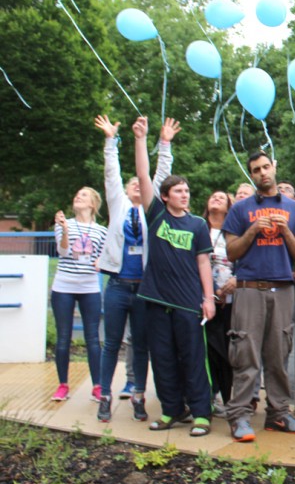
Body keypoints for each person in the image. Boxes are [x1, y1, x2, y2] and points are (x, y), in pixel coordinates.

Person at [130, 117, 216, 436]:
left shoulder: (197, 225)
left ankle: (201, 413)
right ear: (165, 196)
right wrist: (142, 139)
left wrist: (208, 299)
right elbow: (142, 176)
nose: (185, 194)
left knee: (193, 358)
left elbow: (204, 263)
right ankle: (170, 411)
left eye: (187, 190)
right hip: (155, 300)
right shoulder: (156, 215)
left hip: (188, 303)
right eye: (178, 190)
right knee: (163, 359)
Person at [223, 150, 295, 442]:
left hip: (283, 289)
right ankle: (239, 417)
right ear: (252, 174)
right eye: (256, 169)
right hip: (249, 288)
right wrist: (251, 231)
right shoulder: (240, 209)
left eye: (266, 167)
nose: (262, 172)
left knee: (278, 355)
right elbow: (231, 252)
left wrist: (285, 231)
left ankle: (279, 414)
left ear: (274, 166)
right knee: (245, 354)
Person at [93, 114, 177, 423]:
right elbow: (111, 175)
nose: (137, 188)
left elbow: (161, 175)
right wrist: (111, 141)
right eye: (132, 185)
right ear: (127, 191)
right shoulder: (118, 206)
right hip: (116, 285)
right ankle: (104, 396)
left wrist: (164, 144)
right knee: (111, 343)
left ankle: (139, 396)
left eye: (140, 185)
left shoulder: (152, 212)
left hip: (143, 288)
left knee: (140, 344)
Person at [50, 186, 107, 402]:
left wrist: (101, 262)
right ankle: (63, 385)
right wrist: (64, 229)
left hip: (89, 287)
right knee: (63, 338)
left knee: (93, 338)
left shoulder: (101, 230)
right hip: (64, 286)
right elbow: (63, 251)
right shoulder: (64, 224)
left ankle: (98, 386)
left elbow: (105, 256)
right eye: (76, 195)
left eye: (83, 195)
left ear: (92, 203)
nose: (77, 197)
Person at [203, 190, 236, 417]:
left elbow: (243, 259)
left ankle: (229, 397)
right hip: (206, 299)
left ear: (229, 206)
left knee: (228, 350)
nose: (216, 199)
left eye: (221, 197)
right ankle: (210, 395)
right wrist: (212, 290)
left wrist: (235, 281)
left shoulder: (234, 232)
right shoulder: (199, 229)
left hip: (232, 299)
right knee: (209, 351)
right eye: (213, 196)